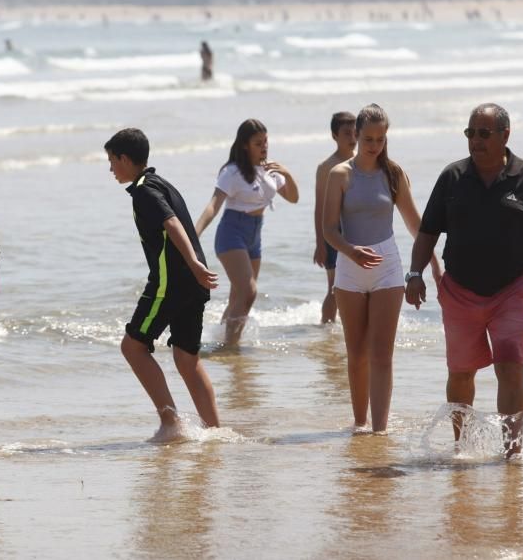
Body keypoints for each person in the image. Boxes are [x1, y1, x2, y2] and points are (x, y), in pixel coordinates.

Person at [405, 103, 523, 457]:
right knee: (462, 373)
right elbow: (427, 232)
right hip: (460, 291)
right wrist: (415, 274)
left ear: (505, 135)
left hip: (512, 289)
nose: (476, 141)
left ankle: (512, 453)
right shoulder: (452, 178)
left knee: (510, 369)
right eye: (470, 133)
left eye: (484, 134)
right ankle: (461, 447)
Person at [322, 104, 439, 433]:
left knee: (382, 355)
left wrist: (434, 264)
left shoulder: (393, 173)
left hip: (387, 266)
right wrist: (350, 251)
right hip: (350, 267)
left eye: (381, 139)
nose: (375, 145)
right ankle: (360, 424)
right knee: (356, 353)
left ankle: (380, 429)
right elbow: (329, 229)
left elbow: (416, 225)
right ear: (355, 135)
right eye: (369, 138)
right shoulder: (340, 175)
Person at [105, 128, 221, 440]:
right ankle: (215, 432)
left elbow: (171, 223)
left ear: (125, 159)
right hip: (193, 284)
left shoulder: (145, 190)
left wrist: (194, 264)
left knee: (132, 347)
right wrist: (197, 267)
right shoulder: (160, 182)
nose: (111, 168)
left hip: (171, 283)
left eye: (112, 161)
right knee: (186, 359)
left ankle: (171, 422)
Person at [195, 119, 299, 344]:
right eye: (258, 143)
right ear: (245, 145)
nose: (264, 147)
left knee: (238, 296)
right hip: (232, 233)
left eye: (266, 142)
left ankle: (222, 342)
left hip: (255, 236)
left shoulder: (270, 170)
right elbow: (213, 205)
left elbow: (293, 198)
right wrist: (193, 236)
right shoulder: (232, 172)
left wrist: (288, 174)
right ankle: (231, 346)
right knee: (248, 292)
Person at [313, 111, 357, 324]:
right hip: (334, 231)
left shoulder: (363, 161)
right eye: (347, 133)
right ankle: (326, 330)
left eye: (355, 132)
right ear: (334, 135)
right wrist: (320, 243)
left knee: (357, 285)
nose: (352, 138)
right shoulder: (326, 166)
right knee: (334, 286)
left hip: (357, 229)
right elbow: (319, 207)